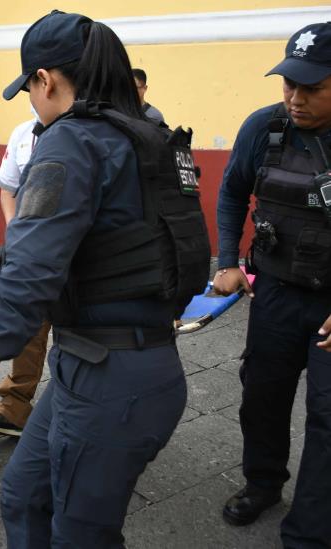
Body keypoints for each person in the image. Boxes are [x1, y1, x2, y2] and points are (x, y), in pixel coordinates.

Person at [0, 11, 210, 548]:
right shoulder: (148, 133)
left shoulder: (71, 142)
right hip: (114, 366)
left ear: (46, 79)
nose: (31, 100)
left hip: (111, 382)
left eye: (29, 87)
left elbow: (24, 286)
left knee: (80, 535)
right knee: (24, 493)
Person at [213, 23, 331, 547]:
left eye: (312, 87)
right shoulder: (264, 127)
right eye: (289, 84)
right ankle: (262, 484)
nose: (295, 98)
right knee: (261, 398)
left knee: (327, 421)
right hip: (277, 292)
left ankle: (308, 531)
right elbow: (233, 192)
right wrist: (227, 260)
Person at [0, 113, 50, 438]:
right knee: (29, 330)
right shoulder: (22, 132)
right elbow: (8, 189)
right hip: (31, 251)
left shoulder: (89, 128)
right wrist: (15, 229)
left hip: (77, 252)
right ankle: (14, 409)